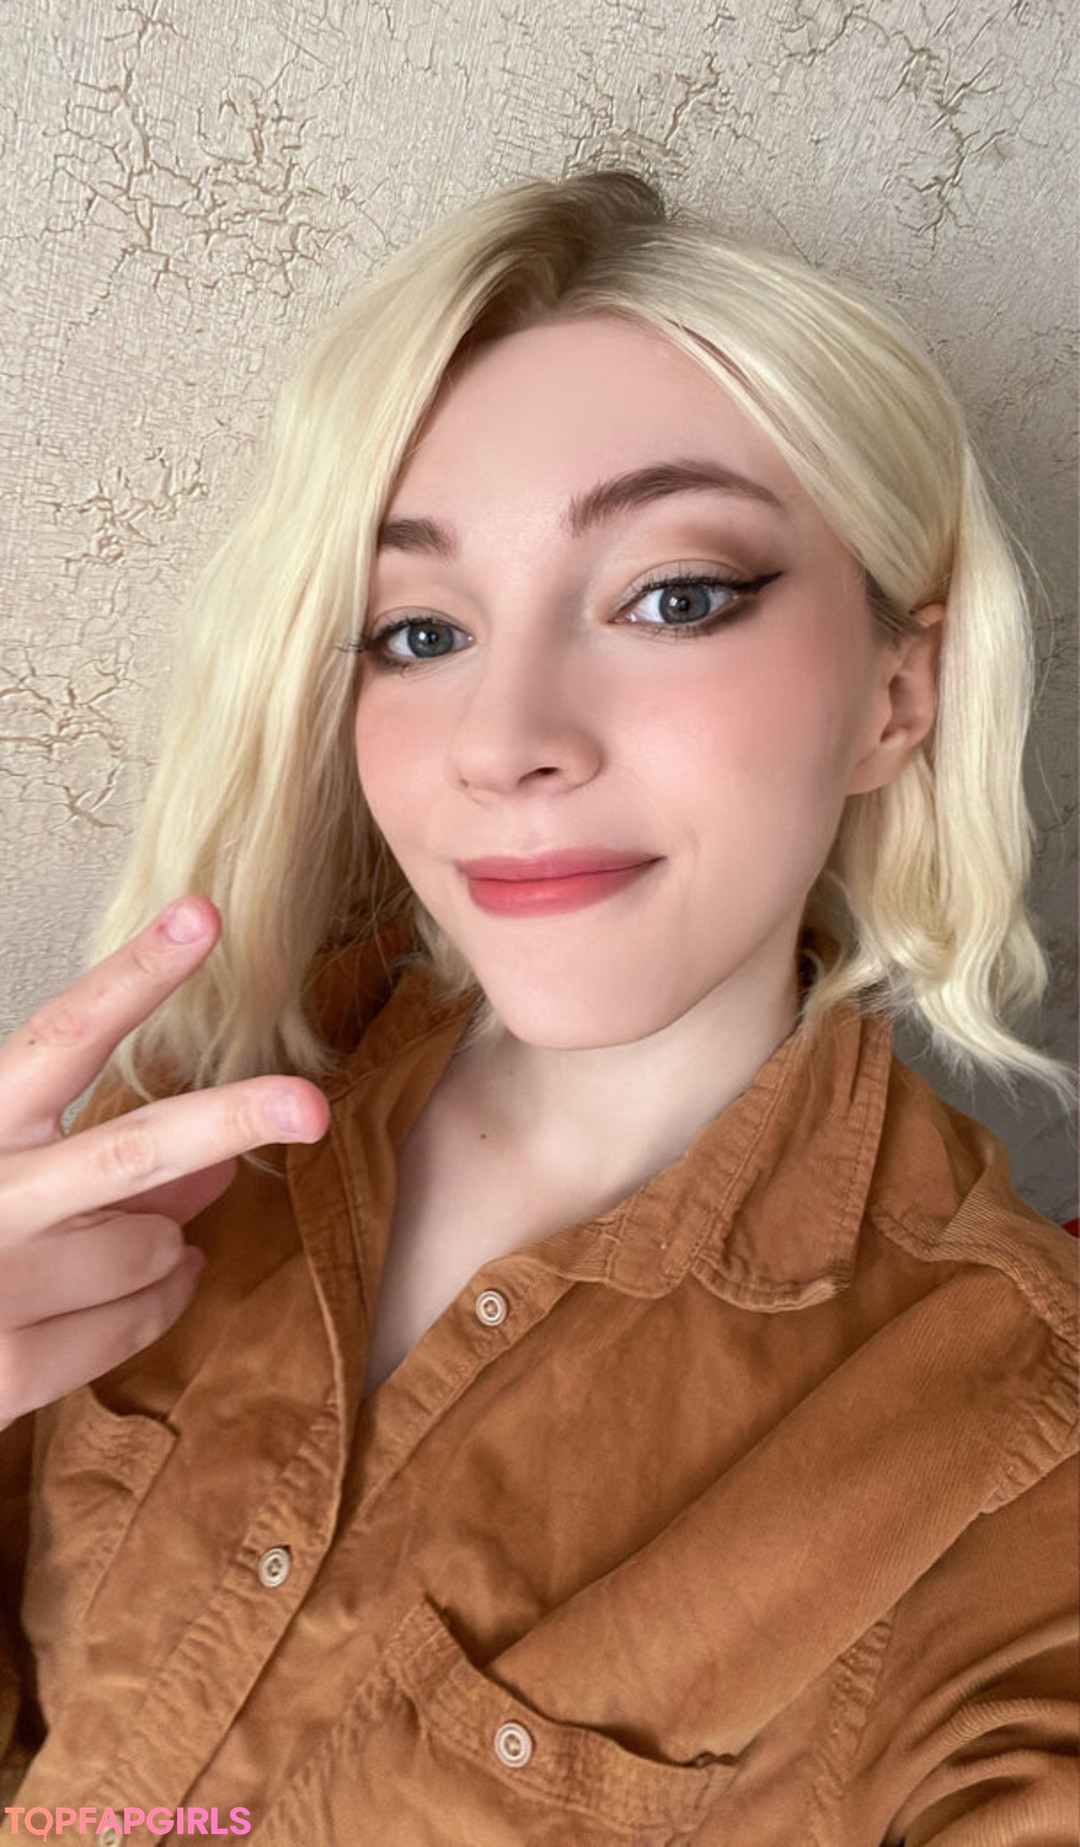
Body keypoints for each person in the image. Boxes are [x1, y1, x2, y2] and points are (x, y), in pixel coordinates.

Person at [0, 168, 1075, 1845]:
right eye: (419, 631)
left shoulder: (1005, 1433)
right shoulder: (184, 1132)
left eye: (674, 595)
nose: (505, 742)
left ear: (897, 691)